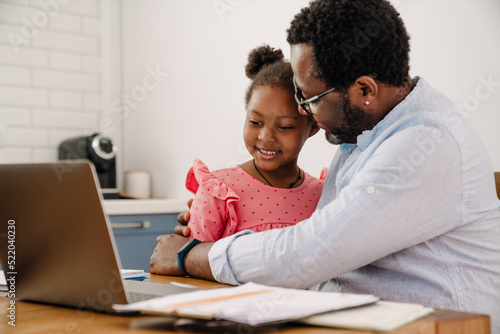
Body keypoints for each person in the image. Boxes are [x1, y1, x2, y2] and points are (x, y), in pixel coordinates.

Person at [150, 0, 500, 332]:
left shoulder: (426, 144)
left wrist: (190, 256)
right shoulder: (364, 132)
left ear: (365, 89)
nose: (303, 110)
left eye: (308, 97)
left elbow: (309, 252)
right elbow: (319, 238)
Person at [185, 45, 325, 242]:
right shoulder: (220, 192)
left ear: (313, 128)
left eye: (284, 127)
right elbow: (188, 264)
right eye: (255, 122)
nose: (265, 136)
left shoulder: (322, 195)